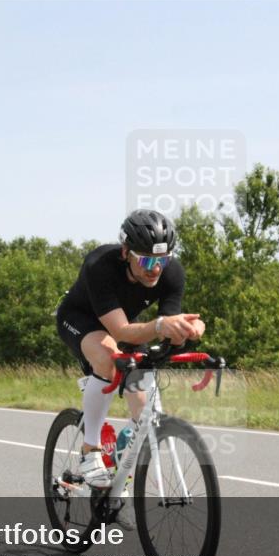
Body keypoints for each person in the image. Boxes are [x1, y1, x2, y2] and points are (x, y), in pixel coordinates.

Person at [56, 210, 206, 492]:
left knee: (146, 411)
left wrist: (190, 329)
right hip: (81, 319)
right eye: (147, 260)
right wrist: (162, 325)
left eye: (162, 259)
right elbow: (122, 332)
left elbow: (168, 334)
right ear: (126, 252)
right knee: (108, 359)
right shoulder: (100, 264)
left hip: (128, 324)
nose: (156, 269)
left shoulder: (172, 273)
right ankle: (90, 450)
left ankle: (118, 482)